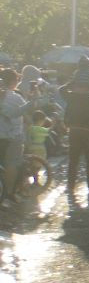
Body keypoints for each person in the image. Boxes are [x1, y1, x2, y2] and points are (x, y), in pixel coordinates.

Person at [59, 69, 89, 196]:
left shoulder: (72, 96)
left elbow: (61, 90)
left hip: (75, 131)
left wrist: (72, 81)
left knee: (74, 161)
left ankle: (71, 187)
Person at [0, 70, 28, 204]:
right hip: (12, 137)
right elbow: (26, 110)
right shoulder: (15, 97)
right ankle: (8, 194)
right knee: (11, 165)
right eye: (17, 80)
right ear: (12, 81)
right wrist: (35, 97)